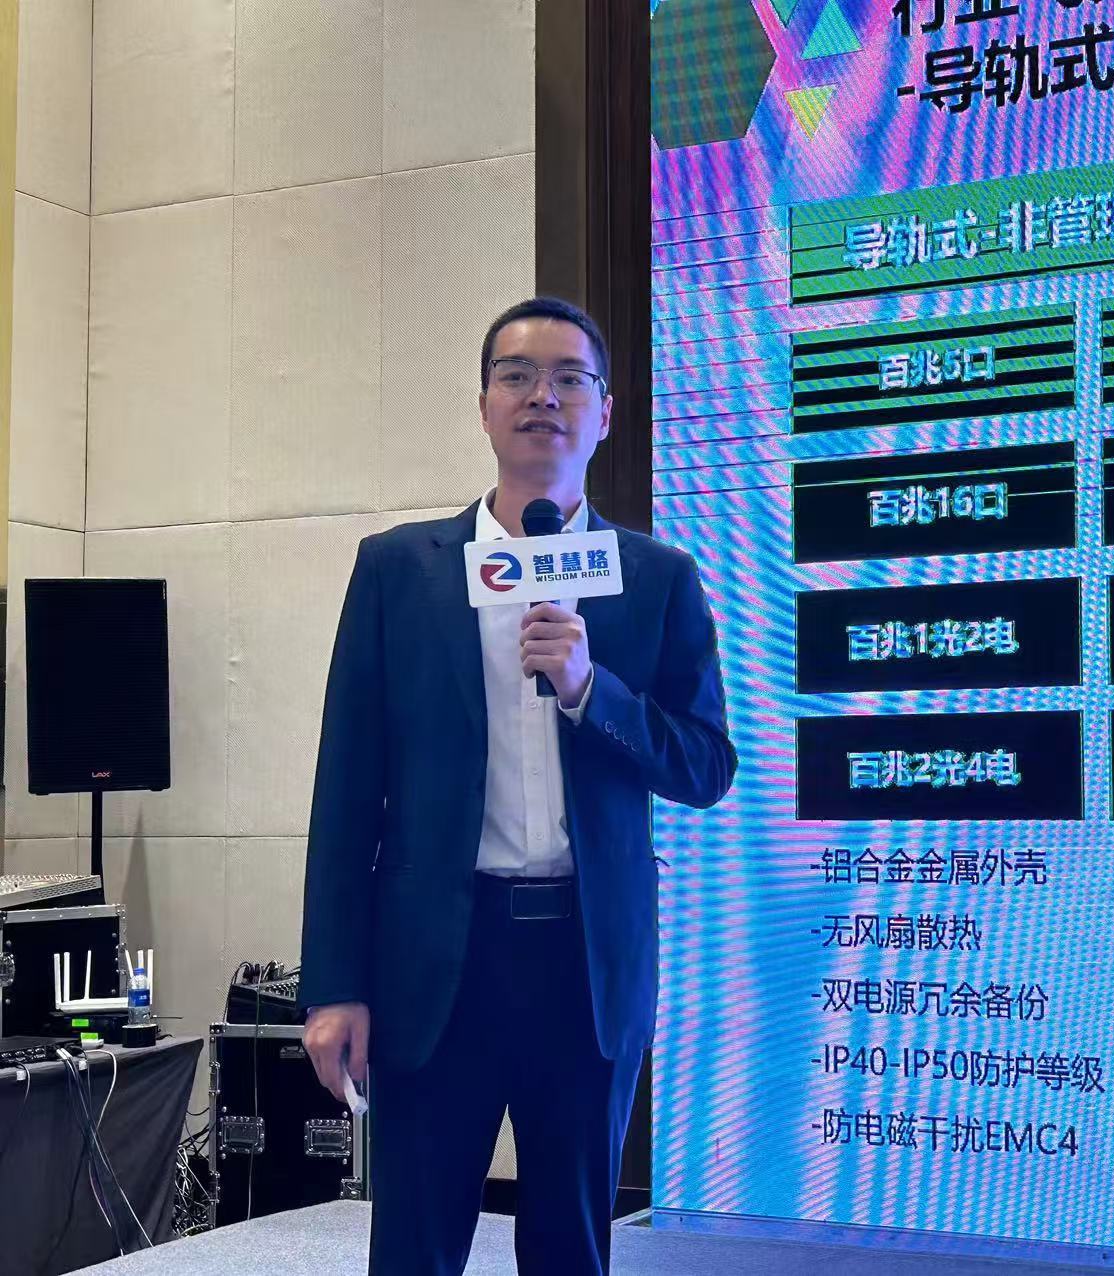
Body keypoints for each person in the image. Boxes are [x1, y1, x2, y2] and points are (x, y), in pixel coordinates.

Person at [298, 297, 736, 1274]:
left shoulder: (657, 578)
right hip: (434, 965)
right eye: (517, 376)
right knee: (413, 1247)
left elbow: (706, 763)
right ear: (485, 407)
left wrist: (591, 691)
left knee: (570, 1248)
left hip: (585, 965)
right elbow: (346, 791)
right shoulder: (400, 571)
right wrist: (333, 985)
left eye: (569, 378)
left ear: (605, 411)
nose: (543, 396)